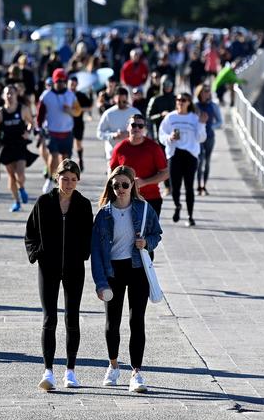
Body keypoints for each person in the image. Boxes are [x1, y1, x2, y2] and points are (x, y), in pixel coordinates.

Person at [90, 165, 162, 393]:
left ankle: (137, 372)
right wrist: (100, 282)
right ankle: (113, 365)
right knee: (112, 323)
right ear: (111, 187)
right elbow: (96, 252)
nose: (120, 189)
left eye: (124, 184)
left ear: (133, 185)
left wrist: (146, 243)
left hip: (137, 268)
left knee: (136, 320)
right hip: (113, 271)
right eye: (115, 185)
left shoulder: (144, 208)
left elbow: (156, 233)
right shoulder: (103, 214)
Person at [25, 159, 93, 391]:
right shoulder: (45, 202)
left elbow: (88, 235)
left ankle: (70, 371)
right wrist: (37, 254)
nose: (69, 183)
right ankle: (48, 371)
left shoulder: (83, 204)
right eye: (65, 178)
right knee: (49, 319)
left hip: (74, 268)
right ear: (57, 178)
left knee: (72, 318)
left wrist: (83, 254)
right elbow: (30, 232)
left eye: (74, 179)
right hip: (49, 268)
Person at [159, 92, 208, 226]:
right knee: (175, 186)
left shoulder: (194, 118)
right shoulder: (170, 117)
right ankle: (177, 205)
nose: (180, 102)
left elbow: (201, 138)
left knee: (189, 186)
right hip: (175, 154)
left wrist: (202, 124)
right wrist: (169, 138)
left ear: (189, 102)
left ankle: (190, 215)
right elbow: (161, 135)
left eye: (184, 100)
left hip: (190, 154)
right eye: (179, 99)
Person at [110, 113, 168, 217]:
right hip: (126, 200)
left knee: (149, 233)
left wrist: (144, 182)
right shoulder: (119, 148)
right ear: (128, 127)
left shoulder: (154, 148)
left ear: (144, 129)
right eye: (133, 125)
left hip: (151, 198)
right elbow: (112, 173)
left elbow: (165, 173)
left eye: (140, 126)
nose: (136, 128)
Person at [0, 84, 35, 212]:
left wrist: (28, 131)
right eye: (7, 93)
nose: (9, 96)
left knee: (20, 173)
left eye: (12, 93)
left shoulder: (23, 109)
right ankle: (16, 202)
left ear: (16, 95)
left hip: (20, 145)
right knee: (11, 175)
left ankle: (22, 188)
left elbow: (32, 123)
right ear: (3, 96)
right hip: (6, 147)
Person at [36, 68, 81, 193]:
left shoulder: (70, 95)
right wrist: (38, 129)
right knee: (54, 156)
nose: (60, 83)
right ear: (54, 81)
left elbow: (78, 111)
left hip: (67, 132)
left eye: (63, 81)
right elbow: (40, 114)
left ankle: (62, 181)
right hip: (52, 131)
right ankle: (50, 179)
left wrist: (70, 111)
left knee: (65, 159)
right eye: (58, 81)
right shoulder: (46, 95)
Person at [96, 87, 141, 163]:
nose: (121, 104)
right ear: (114, 99)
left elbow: (143, 131)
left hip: (131, 154)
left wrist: (130, 134)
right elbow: (99, 133)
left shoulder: (135, 112)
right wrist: (113, 135)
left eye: (124, 101)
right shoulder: (108, 114)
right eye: (118, 101)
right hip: (113, 154)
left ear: (127, 99)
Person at [195, 85, 223, 196]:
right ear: (199, 93)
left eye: (208, 91)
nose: (206, 93)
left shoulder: (213, 106)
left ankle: (204, 186)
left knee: (207, 161)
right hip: (199, 138)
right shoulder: (195, 106)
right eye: (204, 91)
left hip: (210, 137)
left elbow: (220, 121)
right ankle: (198, 186)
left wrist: (212, 126)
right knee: (199, 161)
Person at [69, 76, 93, 172]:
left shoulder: (81, 95)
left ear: (77, 85)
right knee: (68, 144)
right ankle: (67, 162)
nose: (72, 86)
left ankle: (80, 159)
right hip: (66, 124)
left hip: (78, 123)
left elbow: (90, 106)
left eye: (74, 84)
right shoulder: (65, 95)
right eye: (71, 84)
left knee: (78, 143)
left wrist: (79, 109)